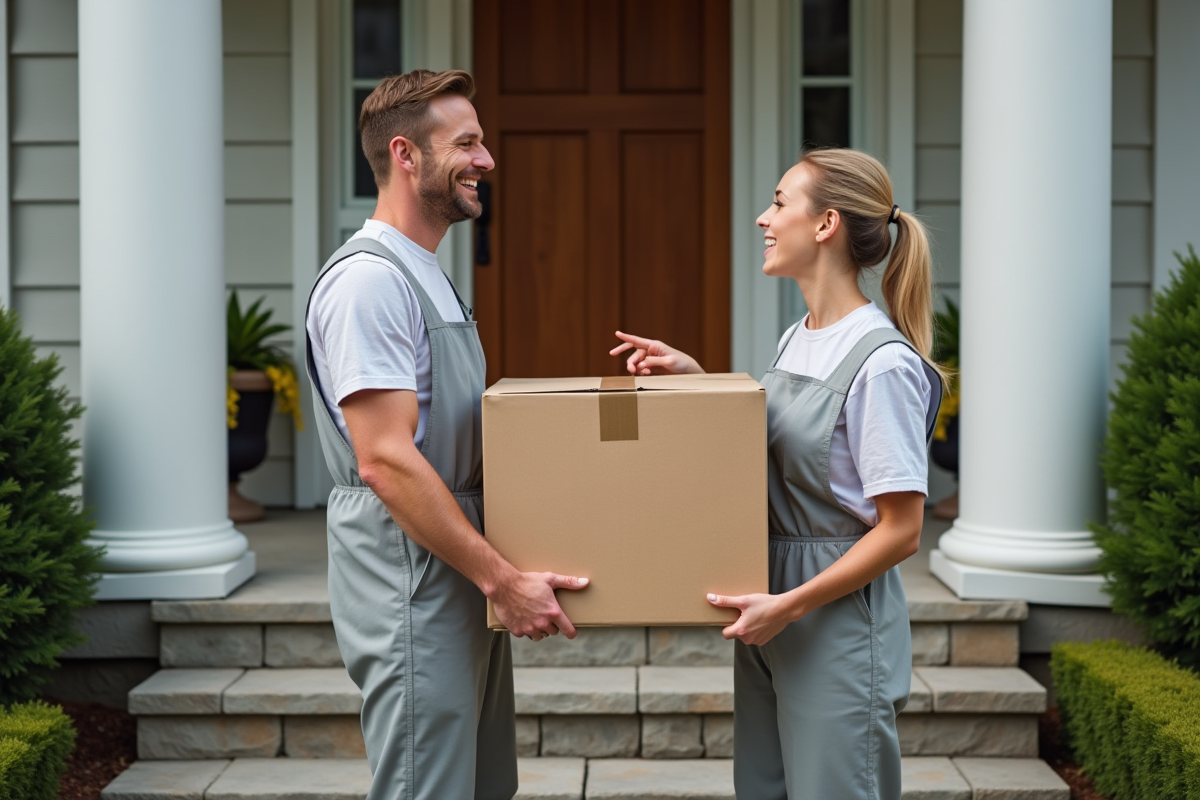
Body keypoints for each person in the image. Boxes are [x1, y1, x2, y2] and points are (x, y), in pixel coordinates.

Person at [611, 147, 944, 800]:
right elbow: (776, 456)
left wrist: (789, 606)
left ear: (826, 225)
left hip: (831, 617)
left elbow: (902, 532)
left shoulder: (882, 363)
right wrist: (697, 380)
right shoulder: (800, 335)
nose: (764, 219)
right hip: (773, 605)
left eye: (779, 202)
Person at [304, 69, 588, 800]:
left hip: (454, 569)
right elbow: (386, 461)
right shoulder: (369, 283)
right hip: (411, 576)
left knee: (480, 784)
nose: (487, 160)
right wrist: (501, 579)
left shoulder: (424, 273)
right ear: (405, 154)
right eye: (467, 143)